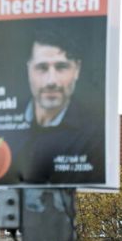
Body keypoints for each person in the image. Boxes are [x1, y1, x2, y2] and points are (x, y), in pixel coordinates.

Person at [17, 26, 104, 184]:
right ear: (28, 69)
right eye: (42, 68)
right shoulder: (3, 125)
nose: (51, 81)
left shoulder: (97, 134)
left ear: (76, 69)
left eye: (61, 67)